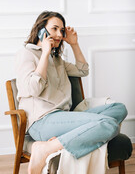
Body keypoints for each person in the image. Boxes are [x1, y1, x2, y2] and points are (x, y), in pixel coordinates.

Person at [15, 11, 127, 174]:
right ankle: (45, 148)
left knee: (119, 108)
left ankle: (63, 140)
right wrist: (45, 53)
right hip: (42, 122)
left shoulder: (58, 60)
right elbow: (34, 89)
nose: (59, 34)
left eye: (61, 30)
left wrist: (74, 44)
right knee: (109, 124)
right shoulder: (26, 54)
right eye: (54, 29)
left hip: (64, 116)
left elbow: (83, 70)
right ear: (41, 30)